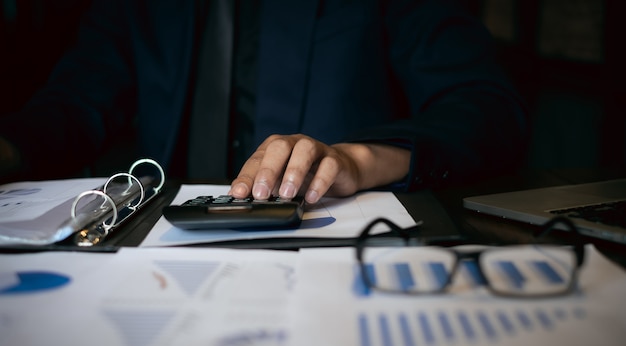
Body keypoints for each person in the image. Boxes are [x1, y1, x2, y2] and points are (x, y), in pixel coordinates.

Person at [0, 0, 528, 204]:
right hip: (160, 255)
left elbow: (487, 109)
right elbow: (74, 104)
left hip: (332, 255)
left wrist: (360, 158)